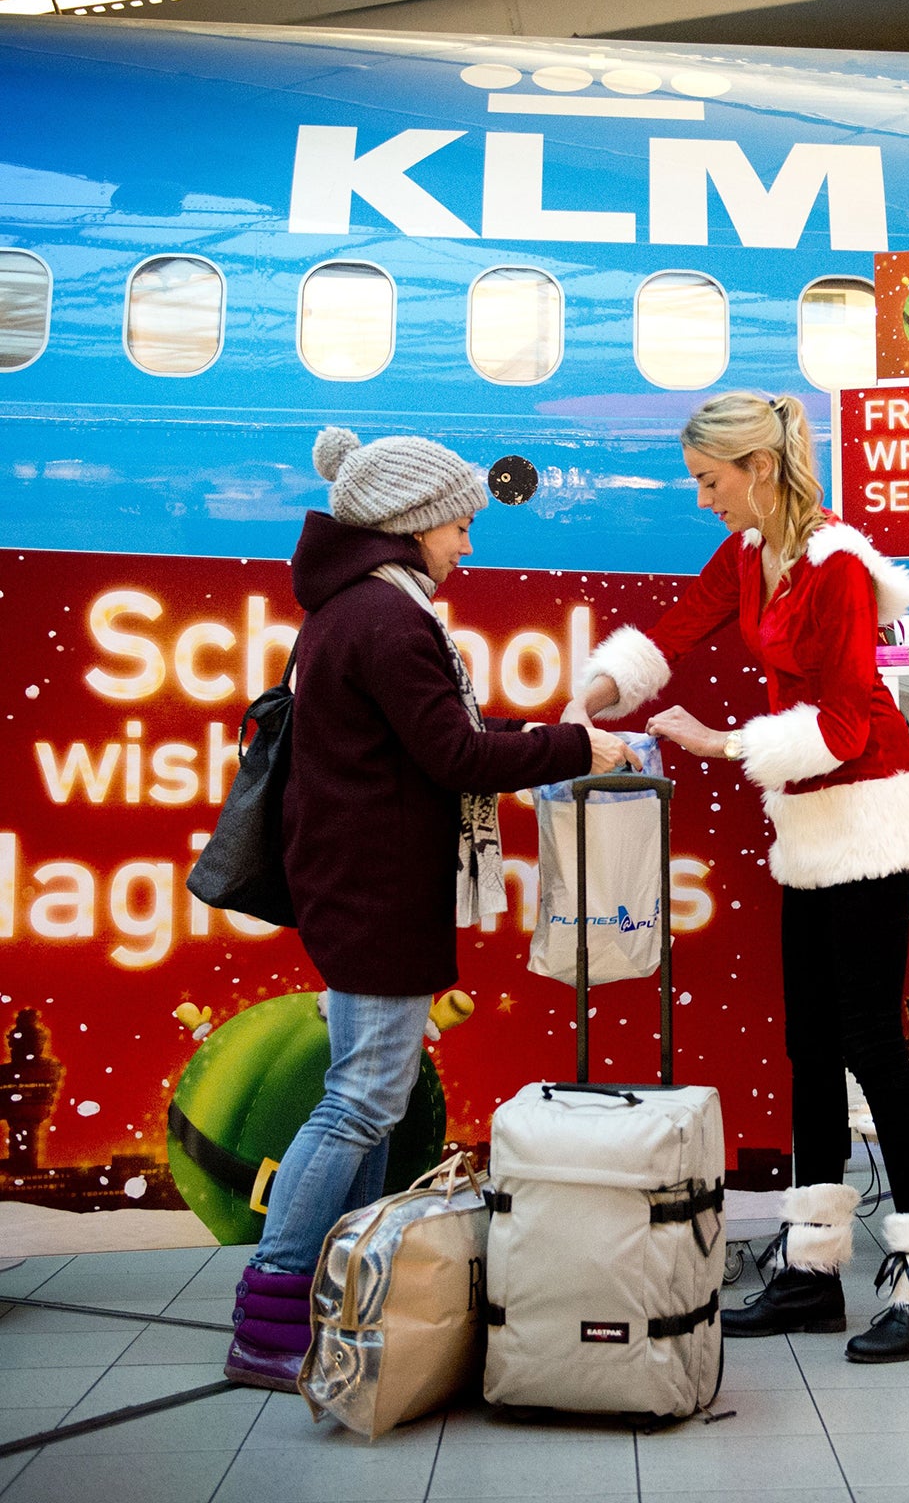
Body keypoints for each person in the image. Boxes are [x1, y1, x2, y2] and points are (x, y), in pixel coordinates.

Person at [225, 429, 631, 1392]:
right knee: (362, 1100)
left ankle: (341, 1293)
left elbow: (437, 736)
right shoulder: (387, 618)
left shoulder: (356, 608)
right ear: (412, 525)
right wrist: (575, 748)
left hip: (360, 879)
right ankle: (270, 1312)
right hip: (374, 889)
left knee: (374, 1097)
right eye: (459, 526)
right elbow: (456, 757)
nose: (468, 546)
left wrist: (545, 736)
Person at [565, 391, 909, 1363]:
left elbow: (847, 724)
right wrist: (599, 691)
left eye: (709, 481)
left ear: (758, 469)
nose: (701, 500)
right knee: (808, 1046)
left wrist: (720, 742)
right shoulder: (750, 555)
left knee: (870, 1045)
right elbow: (679, 627)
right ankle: (812, 1273)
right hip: (807, 821)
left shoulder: (835, 566)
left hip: (865, 816)